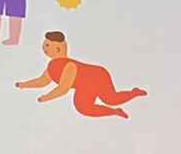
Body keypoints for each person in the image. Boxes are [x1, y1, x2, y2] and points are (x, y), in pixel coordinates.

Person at [16, 31, 147, 118]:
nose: (44, 48)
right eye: (44, 45)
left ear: (58, 48)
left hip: (97, 76)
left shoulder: (69, 66)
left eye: (47, 45)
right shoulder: (52, 66)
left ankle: (134, 93)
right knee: (83, 108)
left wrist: (47, 97)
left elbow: (64, 88)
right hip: (84, 85)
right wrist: (24, 85)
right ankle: (115, 111)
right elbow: (43, 81)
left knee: (111, 99)